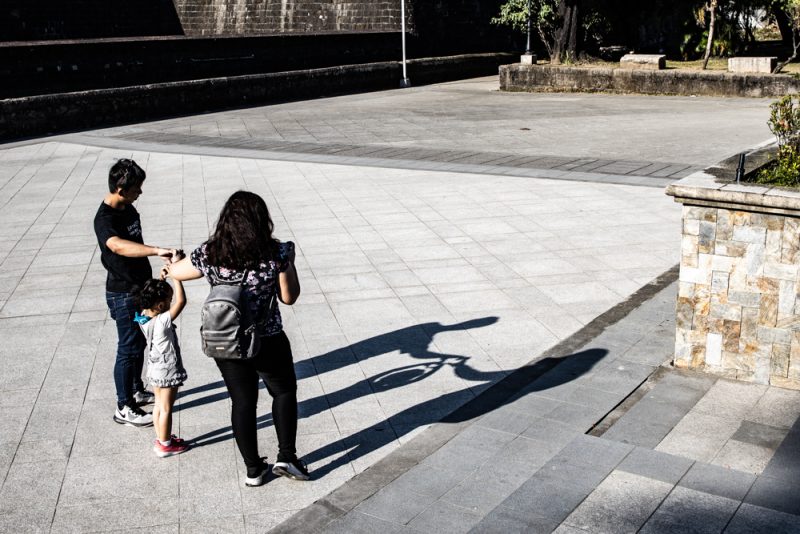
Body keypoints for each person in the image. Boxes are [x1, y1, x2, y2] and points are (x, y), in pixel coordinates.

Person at [170, 190, 309, 487]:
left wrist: (171, 265)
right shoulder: (277, 252)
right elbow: (289, 297)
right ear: (262, 220)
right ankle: (287, 457)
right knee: (283, 392)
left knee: (242, 402)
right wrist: (290, 262)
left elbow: (179, 272)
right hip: (267, 338)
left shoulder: (209, 253)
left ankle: (253, 469)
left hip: (226, 341)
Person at [94, 159, 177, 427]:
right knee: (128, 348)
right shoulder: (104, 219)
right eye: (136, 189)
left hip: (140, 289)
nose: (140, 193)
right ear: (120, 188)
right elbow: (118, 246)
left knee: (141, 342)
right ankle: (124, 406)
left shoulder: (128, 208)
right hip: (123, 294)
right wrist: (155, 250)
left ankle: (135, 389)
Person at [133, 266, 189, 458]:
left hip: (154, 368)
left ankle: (161, 437)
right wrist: (176, 277)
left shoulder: (143, 315)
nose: (171, 302)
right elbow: (182, 301)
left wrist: (161, 279)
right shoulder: (162, 322)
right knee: (166, 408)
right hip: (167, 369)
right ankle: (165, 445)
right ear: (160, 306)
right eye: (168, 300)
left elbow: (153, 296)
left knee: (158, 405)